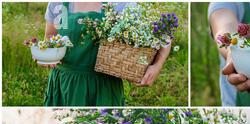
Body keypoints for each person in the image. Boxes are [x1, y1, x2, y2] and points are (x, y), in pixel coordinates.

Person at [40, 2, 171, 106]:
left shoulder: (120, 4)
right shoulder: (56, 4)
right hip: (63, 83)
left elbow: (164, 35)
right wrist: (46, 54)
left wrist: (157, 65)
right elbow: (51, 36)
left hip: (102, 86)